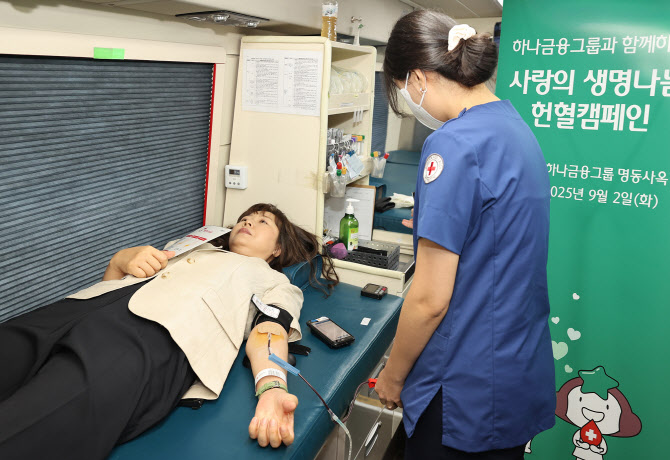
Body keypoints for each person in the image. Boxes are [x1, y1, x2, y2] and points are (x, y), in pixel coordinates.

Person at [0, 203, 338, 459]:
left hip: (153, 337)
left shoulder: (275, 281)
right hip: (78, 308)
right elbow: (116, 283)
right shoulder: (191, 245)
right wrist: (118, 261)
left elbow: (269, 330)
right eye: (245, 217)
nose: (248, 221)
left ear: (278, 249)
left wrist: (272, 387)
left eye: (263, 221)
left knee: (31, 423)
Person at [373, 10, 556, 460]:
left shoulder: (453, 143)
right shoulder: (514, 126)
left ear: (418, 77)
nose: (408, 100)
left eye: (401, 88)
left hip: (464, 386)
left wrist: (393, 377)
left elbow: (430, 299)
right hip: (513, 369)